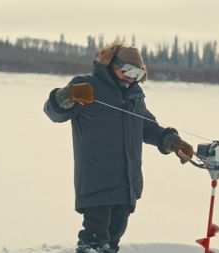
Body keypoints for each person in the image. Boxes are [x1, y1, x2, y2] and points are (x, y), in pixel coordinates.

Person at [43, 42, 194, 253]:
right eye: (128, 71)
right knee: (93, 240)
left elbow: (147, 126)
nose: (132, 77)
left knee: (112, 242)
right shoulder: (86, 86)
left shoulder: (134, 95)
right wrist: (66, 95)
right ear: (113, 64)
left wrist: (171, 141)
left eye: (138, 73)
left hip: (126, 184)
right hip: (97, 180)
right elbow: (53, 112)